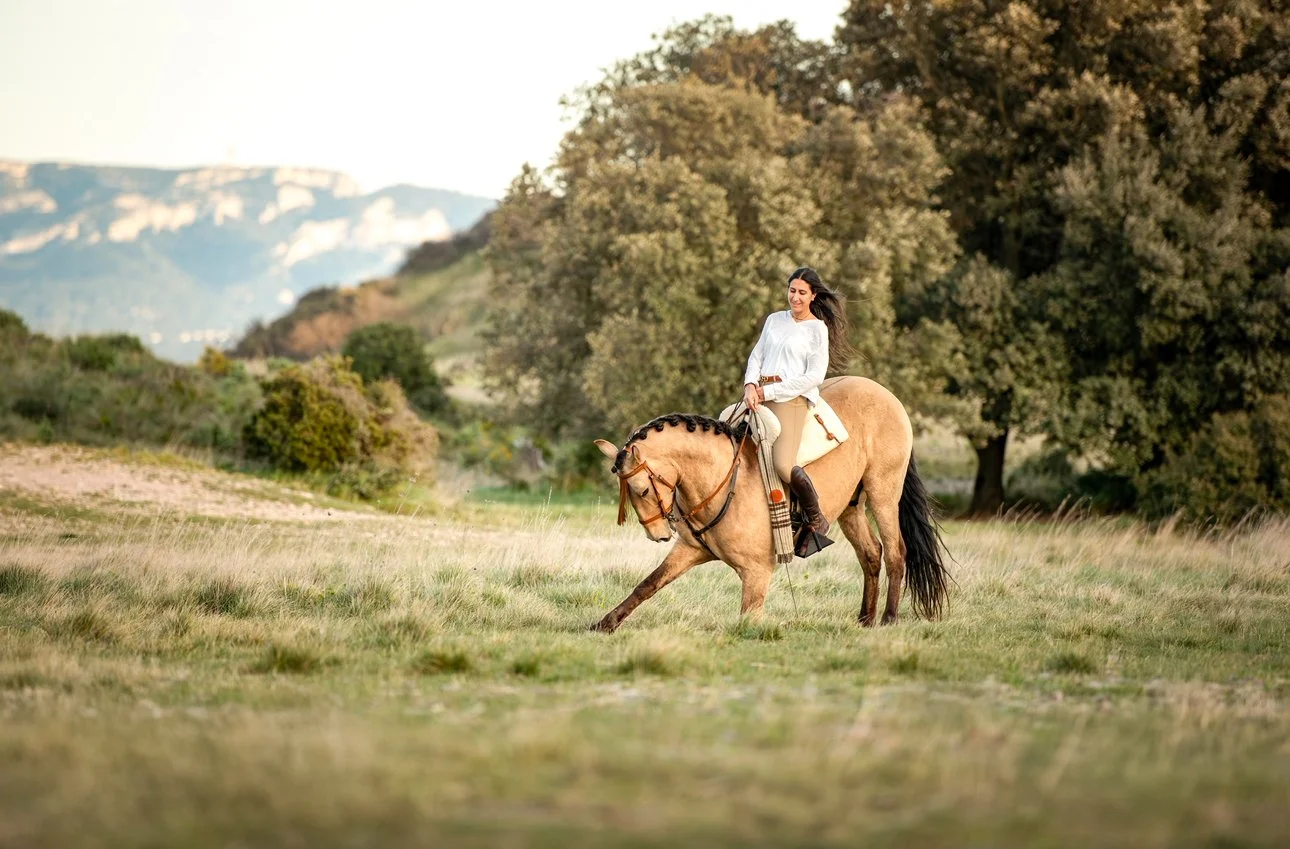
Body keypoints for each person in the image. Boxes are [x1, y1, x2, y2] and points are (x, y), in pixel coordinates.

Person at [742, 267, 854, 551]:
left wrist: (770, 391)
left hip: (791, 399)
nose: (795, 297)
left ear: (813, 296)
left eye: (802, 292)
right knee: (725, 430)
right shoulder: (774, 320)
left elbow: (814, 377)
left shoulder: (817, 330)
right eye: (792, 291)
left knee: (782, 463)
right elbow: (757, 355)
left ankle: (816, 518)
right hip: (760, 394)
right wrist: (750, 385)